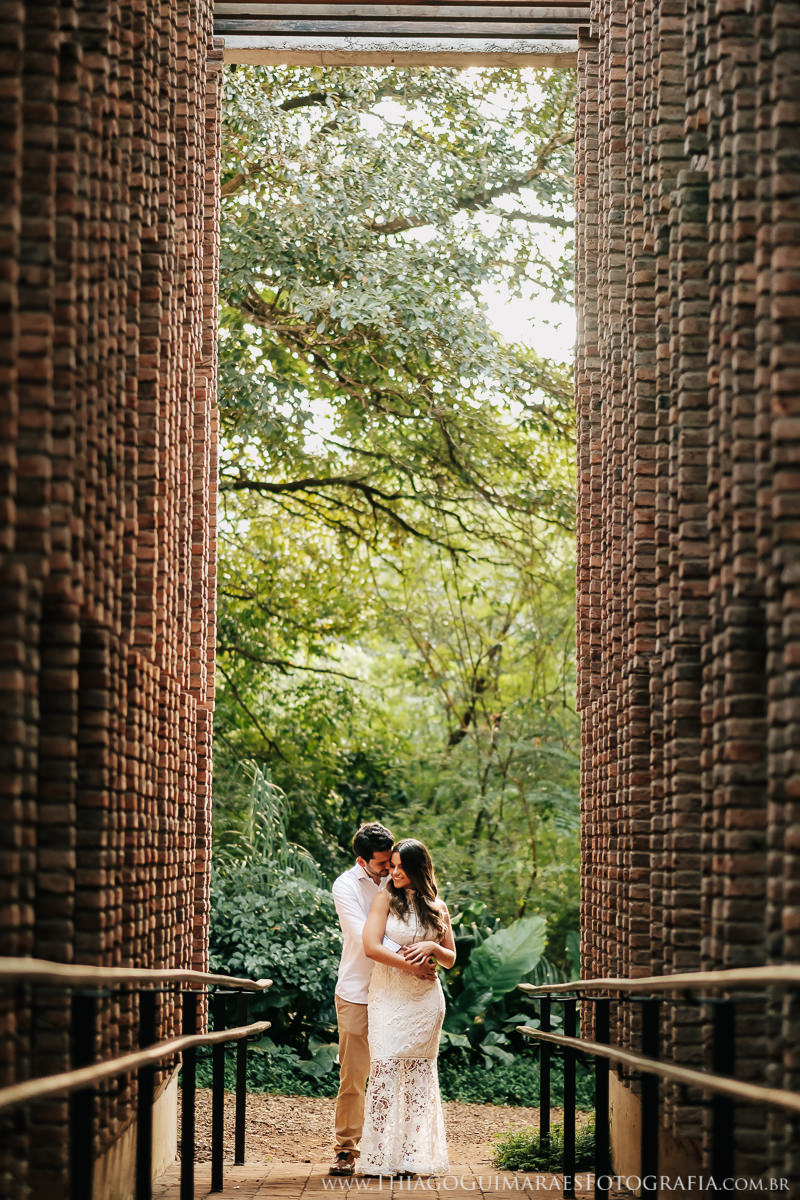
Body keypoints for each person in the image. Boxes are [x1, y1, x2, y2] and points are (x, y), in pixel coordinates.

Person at [329, 822, 436, 1177]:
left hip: (398, 993)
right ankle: (347, 1149)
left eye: (392, 862)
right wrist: (412, 960)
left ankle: (401, 1152)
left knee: (399, 1074)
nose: (390, 869)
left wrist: (426, 952)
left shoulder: (401, 879)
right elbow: (365, 938)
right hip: (358, 991)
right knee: (355, 1074)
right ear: (363, 861)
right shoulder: (346, 886)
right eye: (382, 864)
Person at [359, 838, 456, 1177]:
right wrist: (410, 967)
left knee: (417, 1075)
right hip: (388, 994)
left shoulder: (438, 906)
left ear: (418, 869)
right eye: (392, 866)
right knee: (384, 1068)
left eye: (401, 867)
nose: (394, 872)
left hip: (425, 1001)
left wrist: (433, 947)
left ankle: (413, 1157)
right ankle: (378, 1158)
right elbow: (370, 947)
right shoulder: (385, 898)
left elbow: (450, 958)